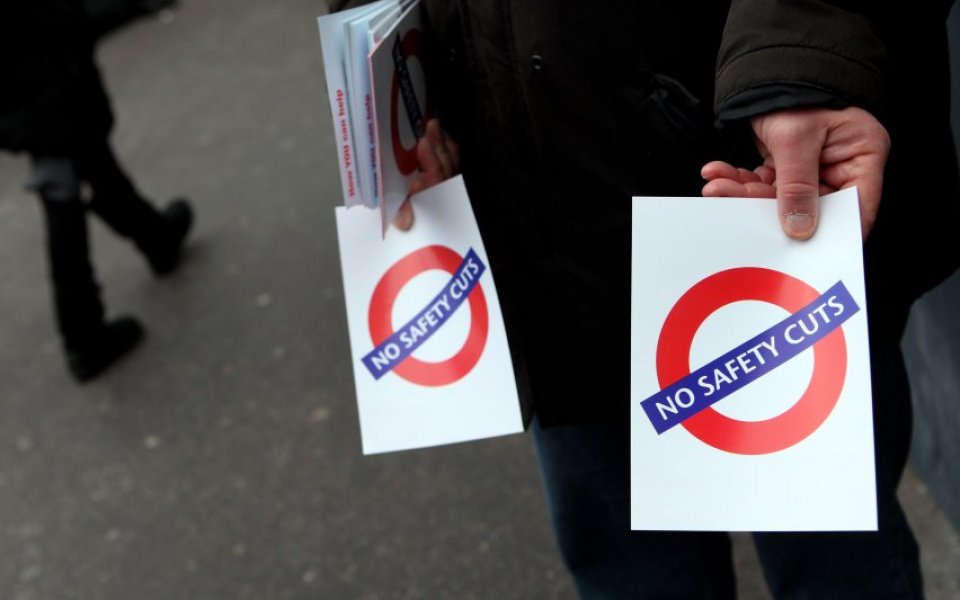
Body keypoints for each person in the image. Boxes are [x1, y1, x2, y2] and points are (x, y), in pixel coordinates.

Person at [351, 1, 959, 597]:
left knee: (829, 557)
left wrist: (801, 57)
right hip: (535, 204)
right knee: (629, 560)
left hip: (754, 185)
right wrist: (392, 74)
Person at [1, 1, 193, 382]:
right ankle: (83, 337)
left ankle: (156, 238)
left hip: (35, 85)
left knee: (90, 160)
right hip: (39, 83)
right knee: (63, 185)